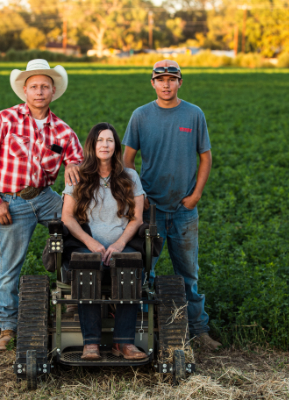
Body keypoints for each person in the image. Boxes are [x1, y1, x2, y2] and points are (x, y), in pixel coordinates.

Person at [0, 59, 83, 350]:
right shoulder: (5, 119)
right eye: (34, 86)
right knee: (9, 266)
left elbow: (78, 160)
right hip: (11, 201)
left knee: (80, 230)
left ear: (53, 90)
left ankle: (73, 299)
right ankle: (7, 328)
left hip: (46, 198)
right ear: (24, 91)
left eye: (44, 86)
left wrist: (73, 165)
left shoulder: (62, 130)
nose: (39, 92)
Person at [122, 60, 221, 351]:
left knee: (188, 273)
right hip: (151, 211)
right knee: (142, 272)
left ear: (180, 82)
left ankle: (199, 332)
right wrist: (139, 195)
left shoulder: (193, 114)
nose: (166, 84)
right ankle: (142, 331)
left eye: (171, 79)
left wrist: (197, 195)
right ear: (152, 83)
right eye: (160, 79)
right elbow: (127, 160)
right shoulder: (141, 116)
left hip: (184, 210)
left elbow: (206, 157)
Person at [61, 122, 147, 361]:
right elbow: (66, 217)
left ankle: (124, 343)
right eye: (100, 140)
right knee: (87, 264)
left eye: (109, 140)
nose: (105, 145)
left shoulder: (129, 176)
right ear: (91, 145)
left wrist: (119, 244)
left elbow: (137, 217)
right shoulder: (78, 175)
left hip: (121, 243)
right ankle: (91, 344)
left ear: (116, 146)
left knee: (128, 263)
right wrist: (90, 243)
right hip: (87, 244)